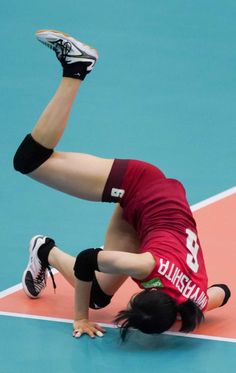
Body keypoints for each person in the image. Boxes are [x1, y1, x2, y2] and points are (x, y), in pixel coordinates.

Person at [13, 30, 231, 341]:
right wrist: (80, 319)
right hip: (142, 188)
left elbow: (223, 292)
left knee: (99, 297)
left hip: (155, 216)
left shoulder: (195, 301)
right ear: (148, 290)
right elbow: (89, 259)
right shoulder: (145, 265)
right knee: (30, 160)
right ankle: (76, 67)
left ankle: (44, 250)